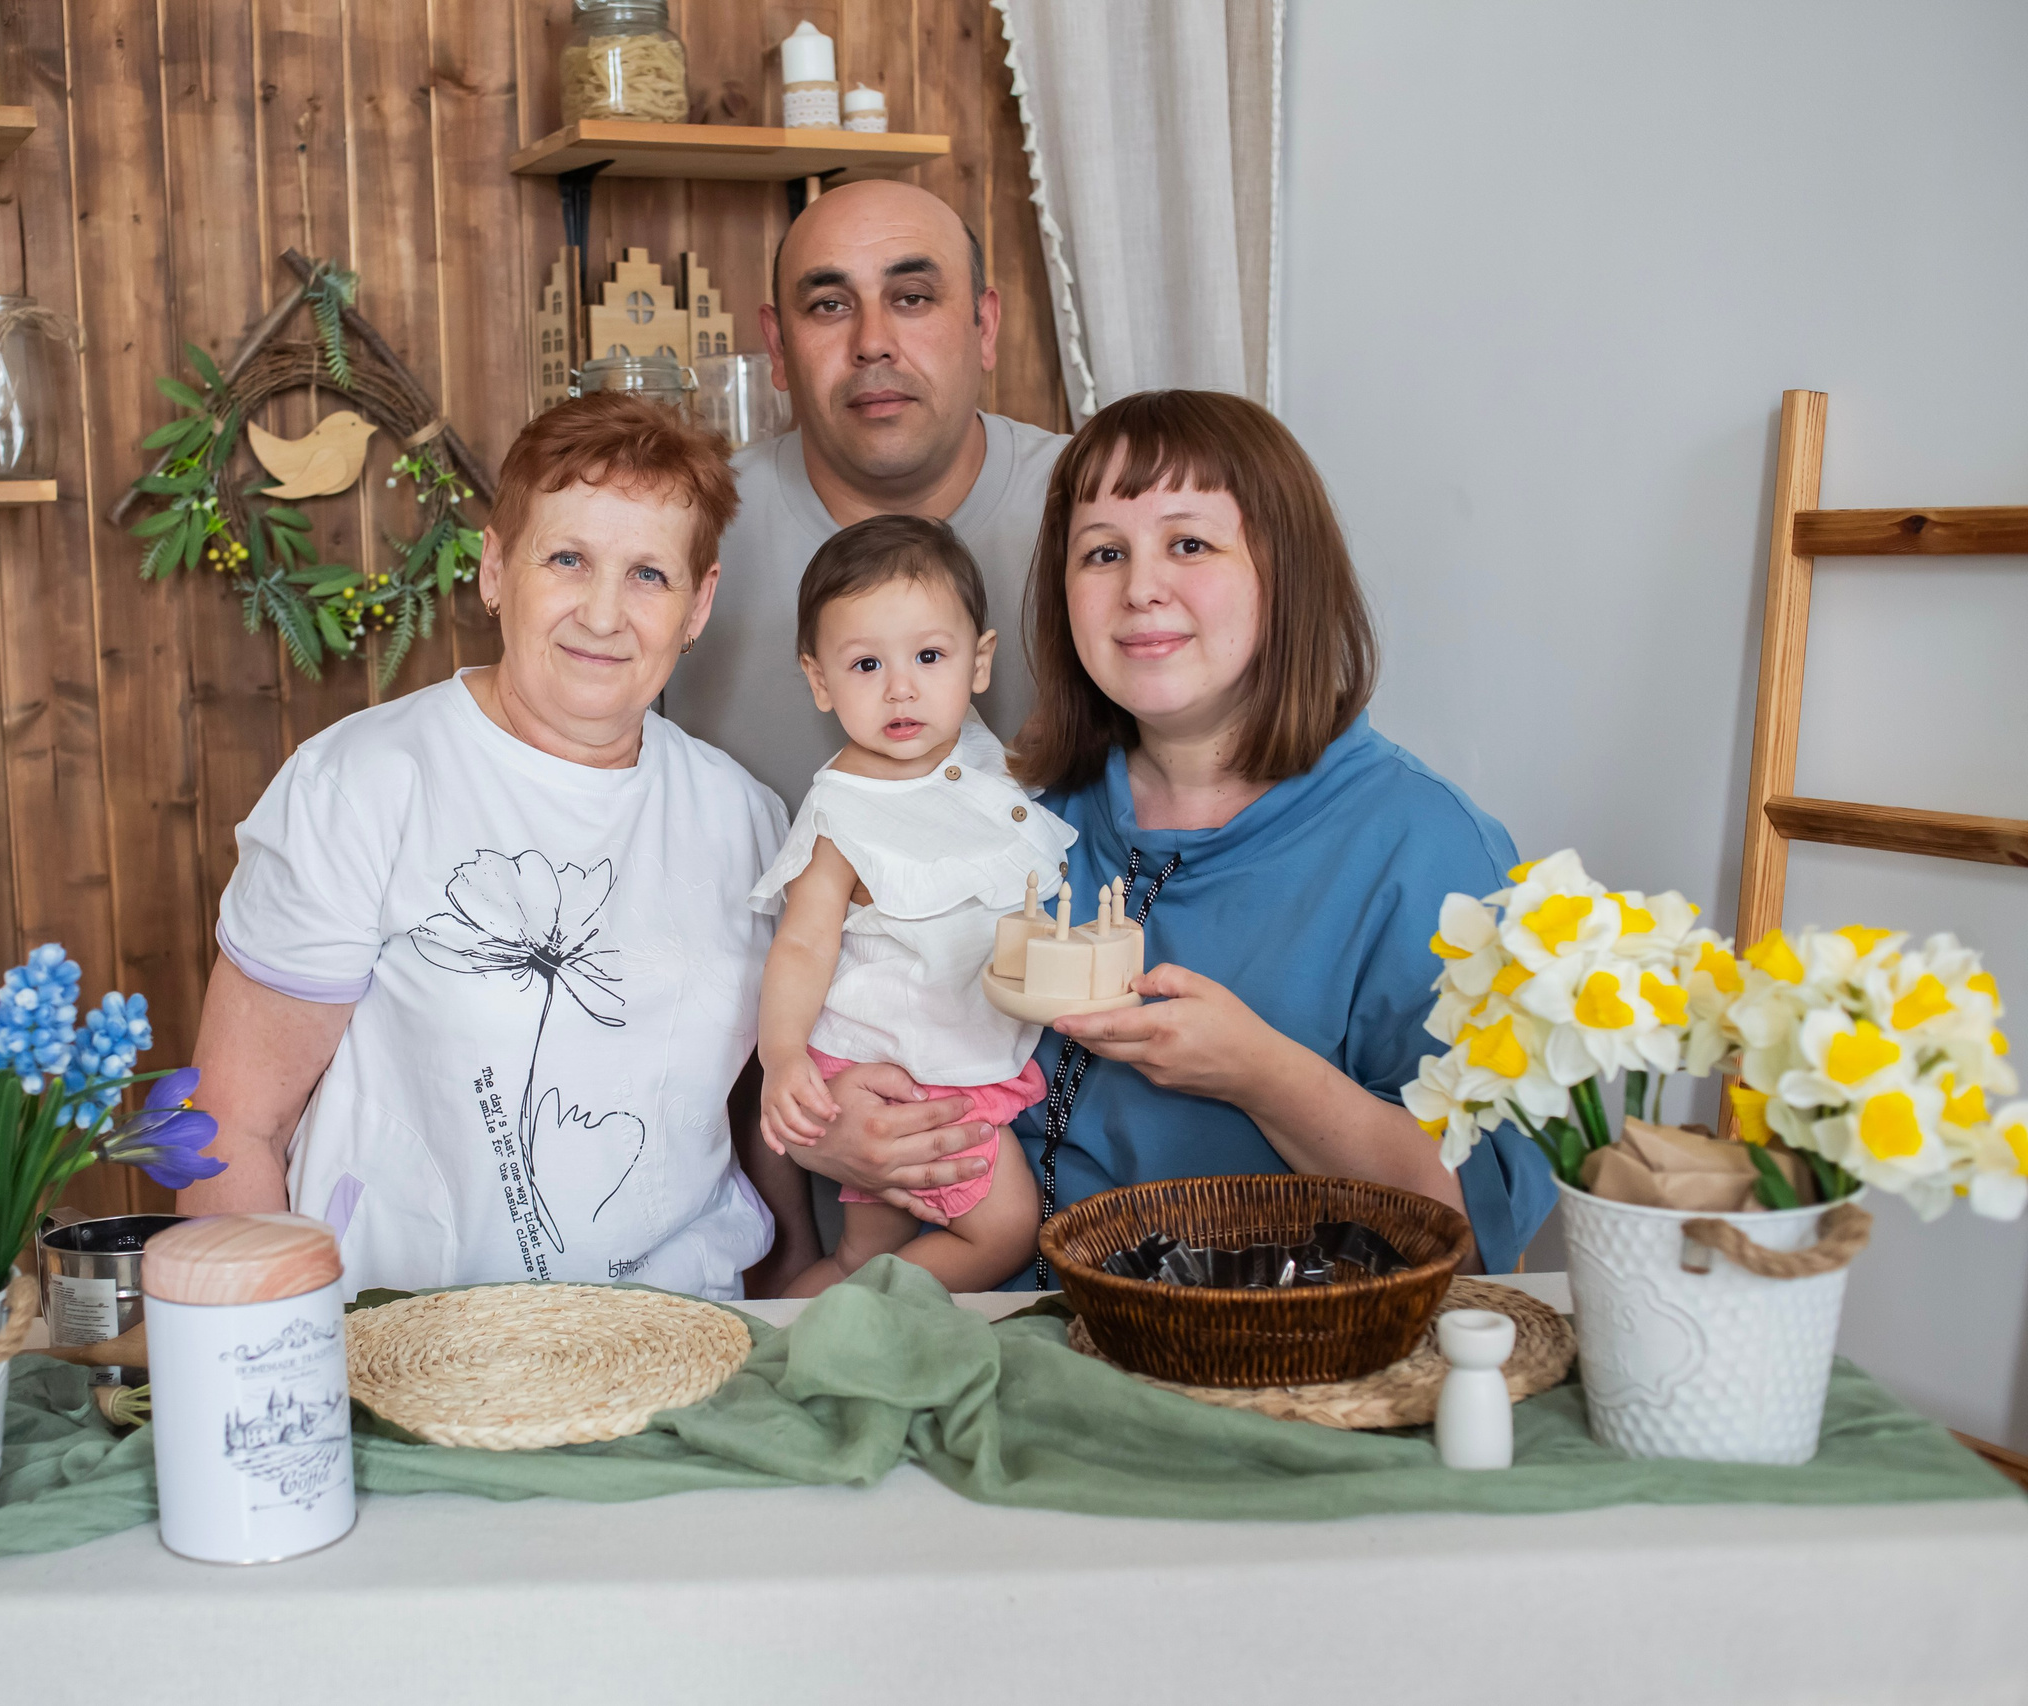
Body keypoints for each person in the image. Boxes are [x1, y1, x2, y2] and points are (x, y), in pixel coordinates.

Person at [797, 390, 1557, 1277]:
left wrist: (1262, 1074)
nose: (1141, 587)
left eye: (1189, 544)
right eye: (1104, 552)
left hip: (1254, 1362)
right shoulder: (1015, 809)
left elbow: (1476, 1237)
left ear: (1287, 569)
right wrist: (845, 1129)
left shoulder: (1431, 852)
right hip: (987, 1338)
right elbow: (874, 1014)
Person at [178, 393, 789, 1299]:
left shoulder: (746, 819)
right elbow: (230, 1125)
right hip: (402, 1354)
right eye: (569, 559)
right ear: (496, 568)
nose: (603, 612)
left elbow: (766, 1107)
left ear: (699, 604)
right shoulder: (363, 784)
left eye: (649, 576)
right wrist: (283, 1368)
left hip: (679, 1349)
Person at [660, 178, 1067, 806]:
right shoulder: (681, 522)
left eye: (912, 297)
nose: (872, 341)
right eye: (829, 305)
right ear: (777, 345)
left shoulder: (1100, 512)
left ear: (984, 327)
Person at [749, 516, 1071, 1296]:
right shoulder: (843, 811)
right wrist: (782, 1055)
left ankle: (800, 1326)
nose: (901, 687)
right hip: (895, 1071)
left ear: (978, 662)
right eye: (865, 664)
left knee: (866, 1253)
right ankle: (843, 1326)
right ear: (820, 680)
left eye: (929, 657)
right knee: (1002, 1231)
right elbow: (801, 945)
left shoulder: (982, 758)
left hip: (951, 1057)